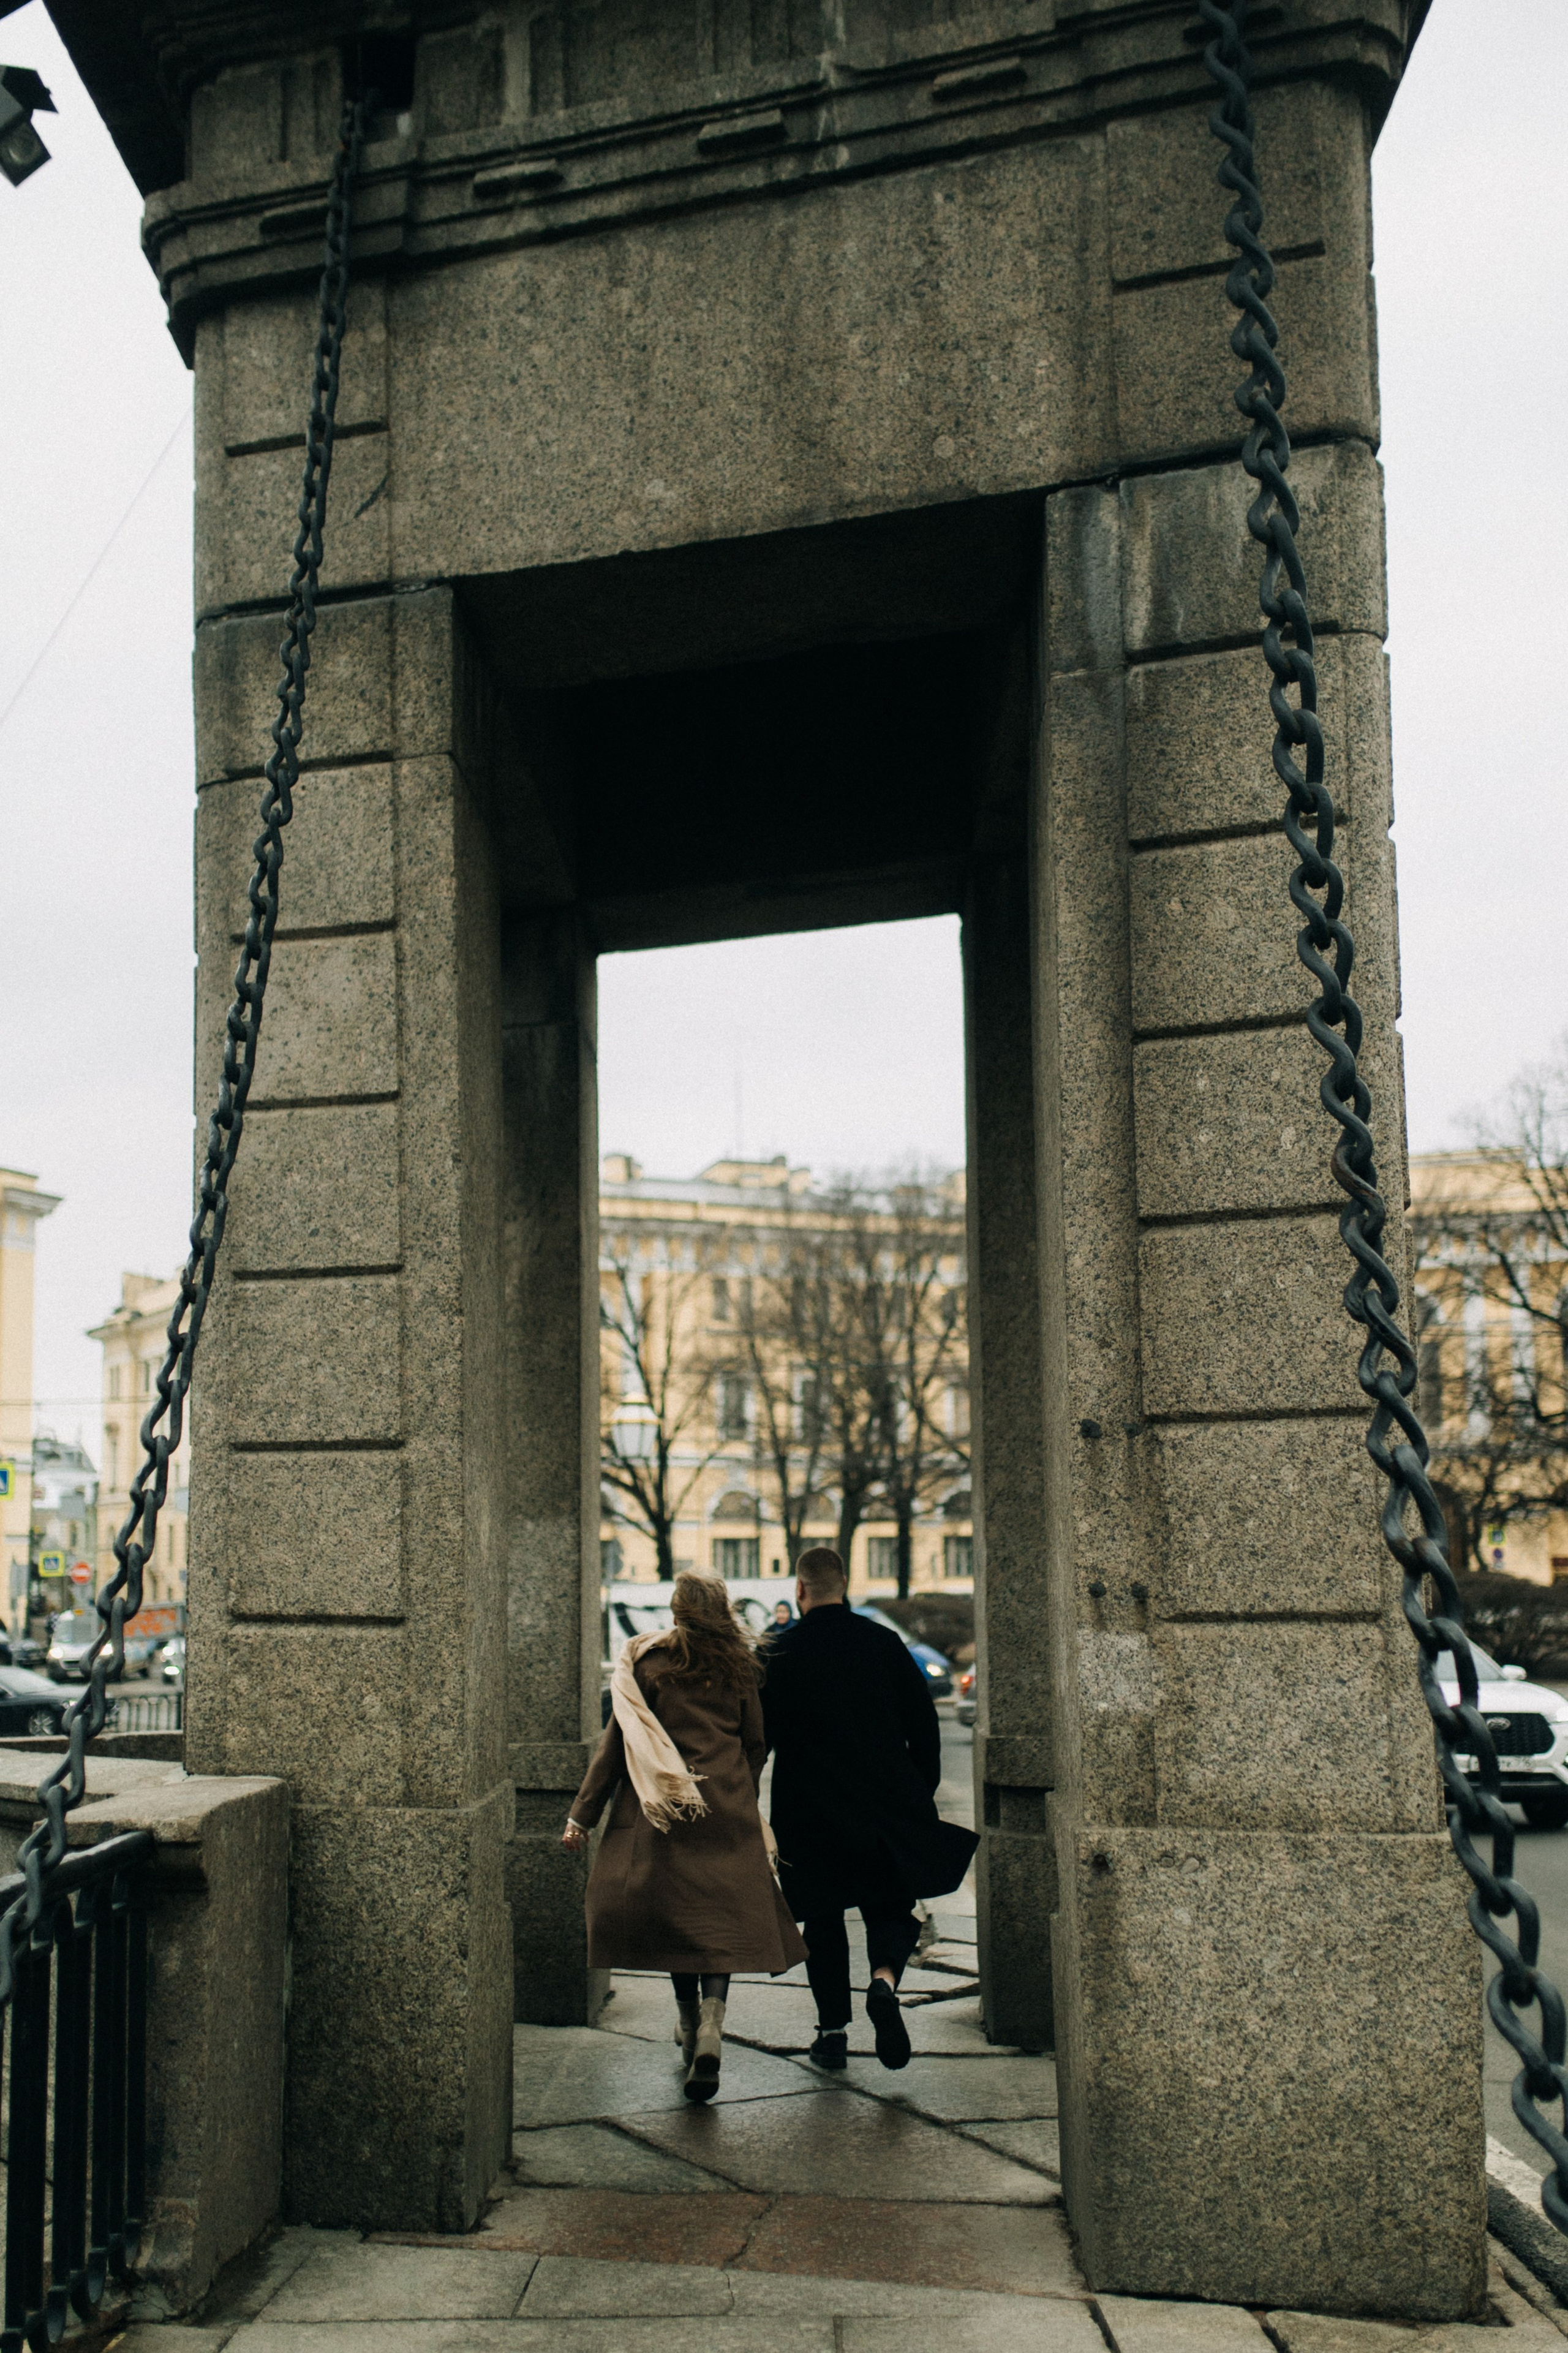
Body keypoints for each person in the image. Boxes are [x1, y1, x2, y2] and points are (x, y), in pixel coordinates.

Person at [564, 1571, 805, 2102]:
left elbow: (615, 1745)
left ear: (676, 1612)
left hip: (666, 1809)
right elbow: (757, 1741)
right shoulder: (741, 1667)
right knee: (718, 1920)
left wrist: (582, 1815)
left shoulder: (649, 1667)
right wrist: (745, 1794)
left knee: (680, 1919)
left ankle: (688, 2020)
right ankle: (713, 2027)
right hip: (726, 1805)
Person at [763, 1546, 978, 2072]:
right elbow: (924, 1725)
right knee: (889, 1903)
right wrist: (918, 1790)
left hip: (808, 1810)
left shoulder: (778, 1653)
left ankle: (832, 2033)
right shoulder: (884, 1643)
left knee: (824, 1919)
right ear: (846, 1584)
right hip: (884, 1802)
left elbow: (759, 1738)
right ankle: (883, 1981)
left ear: (800, 1590)